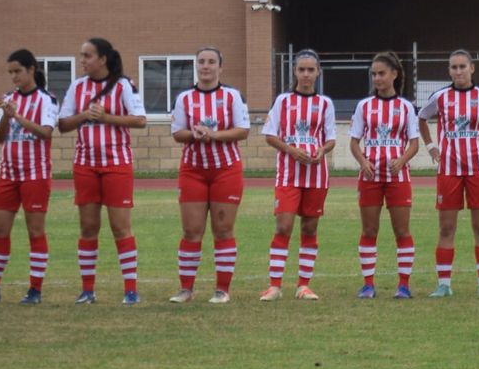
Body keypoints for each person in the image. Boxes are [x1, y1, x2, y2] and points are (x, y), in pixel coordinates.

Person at [0, 49, 59, 305]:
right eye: (10, 73)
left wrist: (17, 116)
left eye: (18, 71)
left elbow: (46, 133)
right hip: (8, 173)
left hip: (35, 174)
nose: (14, 77)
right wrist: (6, 117)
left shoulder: (47, 100)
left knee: (35, 231)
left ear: (31, 69)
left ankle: (35, 290)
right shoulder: (8, 99)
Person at [56, 38, 146, 305]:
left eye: (87, 56)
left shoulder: (123, 85)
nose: (82, 60)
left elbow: (140, 119)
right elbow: (63, 124)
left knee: (120, 227)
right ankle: (87, 290)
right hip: (85, 165)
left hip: (117, 165)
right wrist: (85, 115)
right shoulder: (77, 86)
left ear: (103, 59)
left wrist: (106, 118)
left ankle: (131, 290)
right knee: (88, 227)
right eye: (81, 55)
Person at [417, 49, 479, 298]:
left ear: (472, 68)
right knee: (446, 228)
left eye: (462, 66)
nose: (458, 71)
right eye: (453, 67)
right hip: (448, 170)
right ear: (449, 71)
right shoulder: (440, 97)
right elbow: (421, 118)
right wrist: (431, 147)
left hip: (478, 169)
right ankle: (444, 285)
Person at [170, 47, 249, 304]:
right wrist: (194, 134)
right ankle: (186, 289)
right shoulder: (184, 98)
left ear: (220, 67)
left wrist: (212, 134)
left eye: (211, 62)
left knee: (223, 229)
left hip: (226, 169)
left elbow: (242, 130)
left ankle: (222, 290)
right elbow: (177, 133)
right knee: (191, 230)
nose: (206, 66)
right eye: (201, 62)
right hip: (193, 170)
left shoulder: (231, 96)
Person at [259, 50, 337, 301]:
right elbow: (270, 135)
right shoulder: (283, 101)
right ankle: (274, 286)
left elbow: (331, 139)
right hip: (288, 175)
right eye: (301, 69)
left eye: (310, 70)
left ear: (318, 72)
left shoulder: (325, 103)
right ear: (294, 72)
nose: (305, 74)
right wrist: (291, 150)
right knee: (283, 226)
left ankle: (303, 285)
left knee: (310, 226)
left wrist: (320, 150)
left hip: (316, 174)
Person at [350, 51, 420, 300]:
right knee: (369, 230)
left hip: (398, 178)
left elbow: (413, 143)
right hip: (370, 177)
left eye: (381, 73)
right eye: (374, 74)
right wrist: (362, 160)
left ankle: (404, 285)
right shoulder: (364, 106)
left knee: (402, 231)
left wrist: (401, 160)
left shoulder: (406, 107)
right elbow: (354, 142)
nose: (377, 78)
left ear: (394, 74)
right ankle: (368, 285)